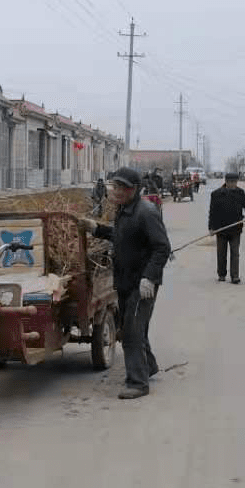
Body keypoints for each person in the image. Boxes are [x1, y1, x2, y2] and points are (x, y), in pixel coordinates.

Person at [82, 168, 170, 399]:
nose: (116, 192)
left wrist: (149, 277)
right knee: (136, 328)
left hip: (142, 283)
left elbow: (162, 247)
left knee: (131, 331)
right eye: (115, 187)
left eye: (122, 188)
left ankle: (138, 383)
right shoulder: (124, 211)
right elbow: (122, 236)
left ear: (133, 190)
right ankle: (148, 366)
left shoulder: (146, 212)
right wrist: (97, 229)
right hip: (125, 280)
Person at [208, 171, 245, 283]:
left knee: (235, 253)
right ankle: (221, 274)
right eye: (230, 182)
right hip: (221, 228)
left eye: (234, 182)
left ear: (237, 182)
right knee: (221, 253)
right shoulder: (216, 194)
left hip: (236, 228)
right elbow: (212, 212)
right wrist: (211, 228)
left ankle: (235, 276)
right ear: (225, 182)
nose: (232, 184)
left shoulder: (240, 193)